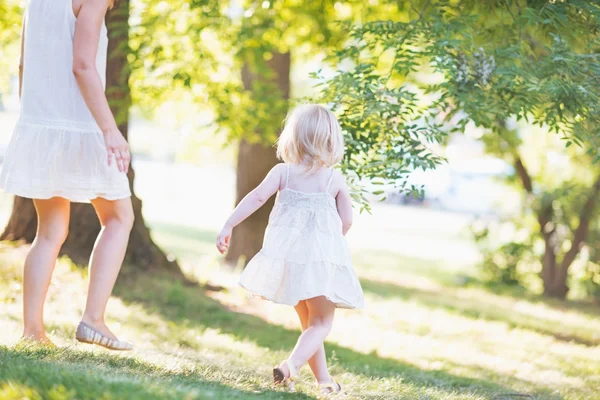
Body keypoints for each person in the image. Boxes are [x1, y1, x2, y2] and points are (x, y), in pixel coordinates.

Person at [0, 0, 134, 350]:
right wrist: (110, 130)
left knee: (50, 232)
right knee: (119, 217)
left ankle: (32, 332)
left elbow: (23, 64)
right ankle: (93, 319)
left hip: (40, 126)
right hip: (82, 127)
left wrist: (35, 121)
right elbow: (83, 65)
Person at [216, 104, 364, 394]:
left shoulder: (283, 172)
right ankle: (290, 367)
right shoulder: (333, 179)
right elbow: (346, 220)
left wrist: (228, 226)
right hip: (320, 261)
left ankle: (325, 382)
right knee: (320, 323)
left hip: (290, 262)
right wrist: (333, 241)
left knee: (310, 325)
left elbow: (257, 197)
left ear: (293, 138)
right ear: (331, 140)